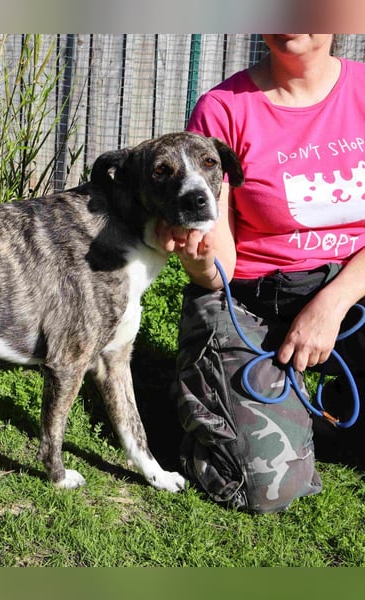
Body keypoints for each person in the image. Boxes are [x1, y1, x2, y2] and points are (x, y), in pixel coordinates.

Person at [157, 34, 365, 512]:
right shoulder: (223, 109)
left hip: (351, 292)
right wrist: (198, 259)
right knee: (268, 489)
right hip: (255, 302)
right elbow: (222, 267)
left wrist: (330, 307)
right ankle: (209, 394)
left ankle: (312, 401)